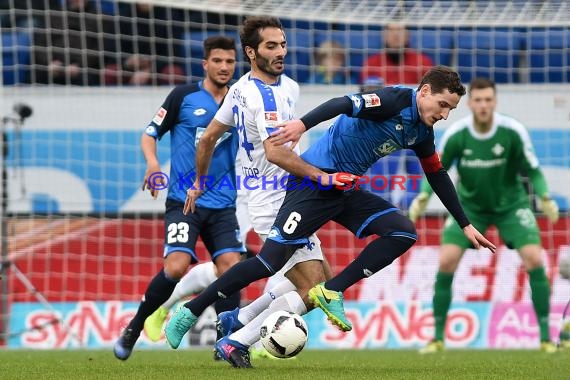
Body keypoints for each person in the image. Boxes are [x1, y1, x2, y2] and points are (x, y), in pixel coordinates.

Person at [164, 65, 496, 352]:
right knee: (268, 262)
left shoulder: (422, 130)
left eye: (450, 110)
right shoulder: (394, 100)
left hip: (345, 189)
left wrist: (464, 224)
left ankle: (330, 291)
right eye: (442, 105)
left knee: (403, 232)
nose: (444, 114)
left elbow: (435, 173)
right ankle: (191, 311)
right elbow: (343, 103)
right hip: (314, 183)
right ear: (424, 91)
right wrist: (302, 125)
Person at [164, 16, 336, 368]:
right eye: (271, 46)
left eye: (283, 44)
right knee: (313, 288)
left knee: (322, 281)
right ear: (251, 51)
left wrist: (198, 181)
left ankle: (236, 321)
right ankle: (235, 337)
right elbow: (276, 152)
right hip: (278, 200)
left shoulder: (241, 87)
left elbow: (209, 136)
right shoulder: (265, 97)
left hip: (279, 197)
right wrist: (322, 177)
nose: (280, 52)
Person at [113, 35, 245, 360]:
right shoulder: (183, 96)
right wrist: (153, 163)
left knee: (232, 267)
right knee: (175, 267)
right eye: (218, 61)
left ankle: (226, 342)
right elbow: (150, 133)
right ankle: (136, 323)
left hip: (225, 203)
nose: (224, 67)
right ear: (205, 64)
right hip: (183, 201)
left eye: (229, 61)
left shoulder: (241, 100)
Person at [408, 77, 560, 354]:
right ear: (471, 104)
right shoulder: (458, 134)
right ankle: (438, 338)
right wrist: (422, 197)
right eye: (478, 100)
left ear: (495, 101)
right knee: (446, 261)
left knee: (536, 258)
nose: (483, 105)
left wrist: (545, 196)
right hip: (470, 208)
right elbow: (434, 168)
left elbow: (534, 169)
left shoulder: (512, 131)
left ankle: (546, 338)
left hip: (511, 206)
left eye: (488, 100)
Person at [32, 0, 115, 85]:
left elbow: (101, 49)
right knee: (37, 76)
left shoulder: (101, 18)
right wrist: (50, 61)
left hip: (84, 69)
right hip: (53, 67)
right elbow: (40, 43)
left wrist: (79, 64)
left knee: (87, 79)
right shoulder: (54, 15)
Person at [102, 2, 186, 86]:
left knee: (174, 73)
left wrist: (151, 69)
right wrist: (127, 61)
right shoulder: (122, 15)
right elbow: (111, 50)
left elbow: (173, 53)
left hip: (159, 66)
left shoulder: (169, 16)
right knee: (110, 72)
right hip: (129, 68)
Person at [360, 23, 433, 86]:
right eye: (391, 30)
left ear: (408, 35)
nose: (395, 34)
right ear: (384, 35)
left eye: (400, 30)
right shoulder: (371, 63)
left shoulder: (423, 62)